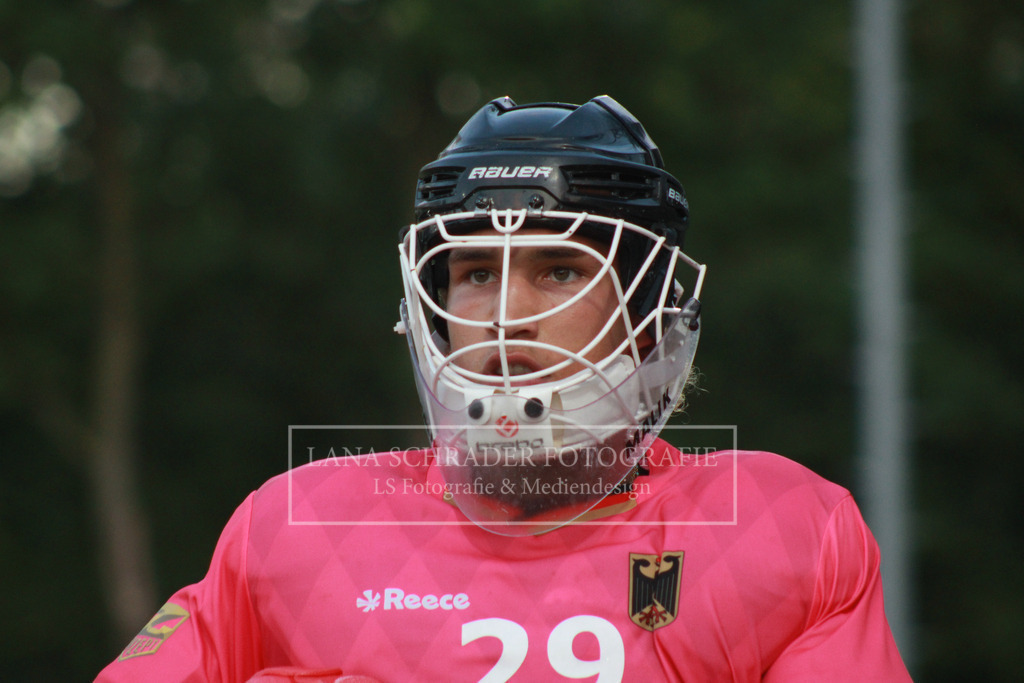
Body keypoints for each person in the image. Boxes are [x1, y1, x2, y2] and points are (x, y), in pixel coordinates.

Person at [96, 95, 911, 682]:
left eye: (559, 269)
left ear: (648, 313)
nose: (505, 318)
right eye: (476, 272)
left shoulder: (787, 533)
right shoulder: (291, 530)